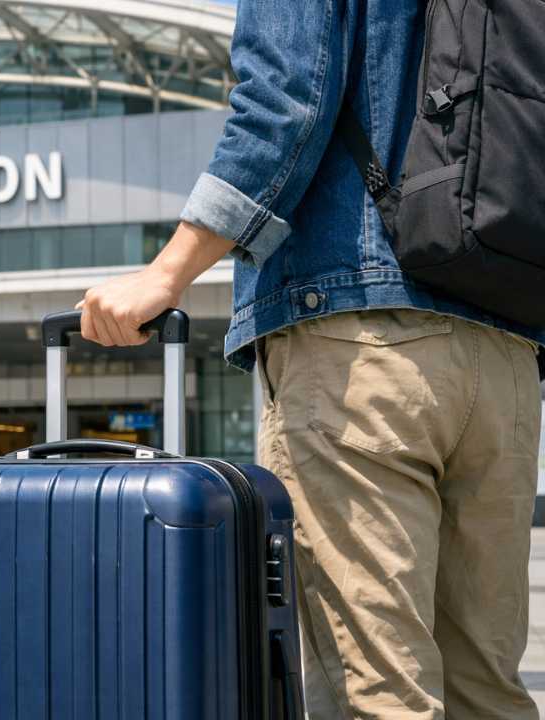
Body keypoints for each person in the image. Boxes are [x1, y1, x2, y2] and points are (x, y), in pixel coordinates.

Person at [76, 2, 543, 716]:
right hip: (504, 352)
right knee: (485, 692)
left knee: (377, 692)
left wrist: (165, 273)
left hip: (362, 343)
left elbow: (284, 102)